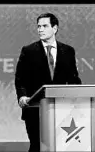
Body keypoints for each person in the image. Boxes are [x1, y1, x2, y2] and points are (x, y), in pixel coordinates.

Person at [15, 13, 82, 152]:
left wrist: (80, 99)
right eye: (38, 26)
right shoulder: (28, 51)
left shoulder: (68, 51)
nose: (40, 29)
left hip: (62, 109)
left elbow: (74, 80)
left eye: (44, 26)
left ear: (55, 28)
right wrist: (22, 96)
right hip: (35, 109)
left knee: (61, 146)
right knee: (37, 147)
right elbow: (20, 78)